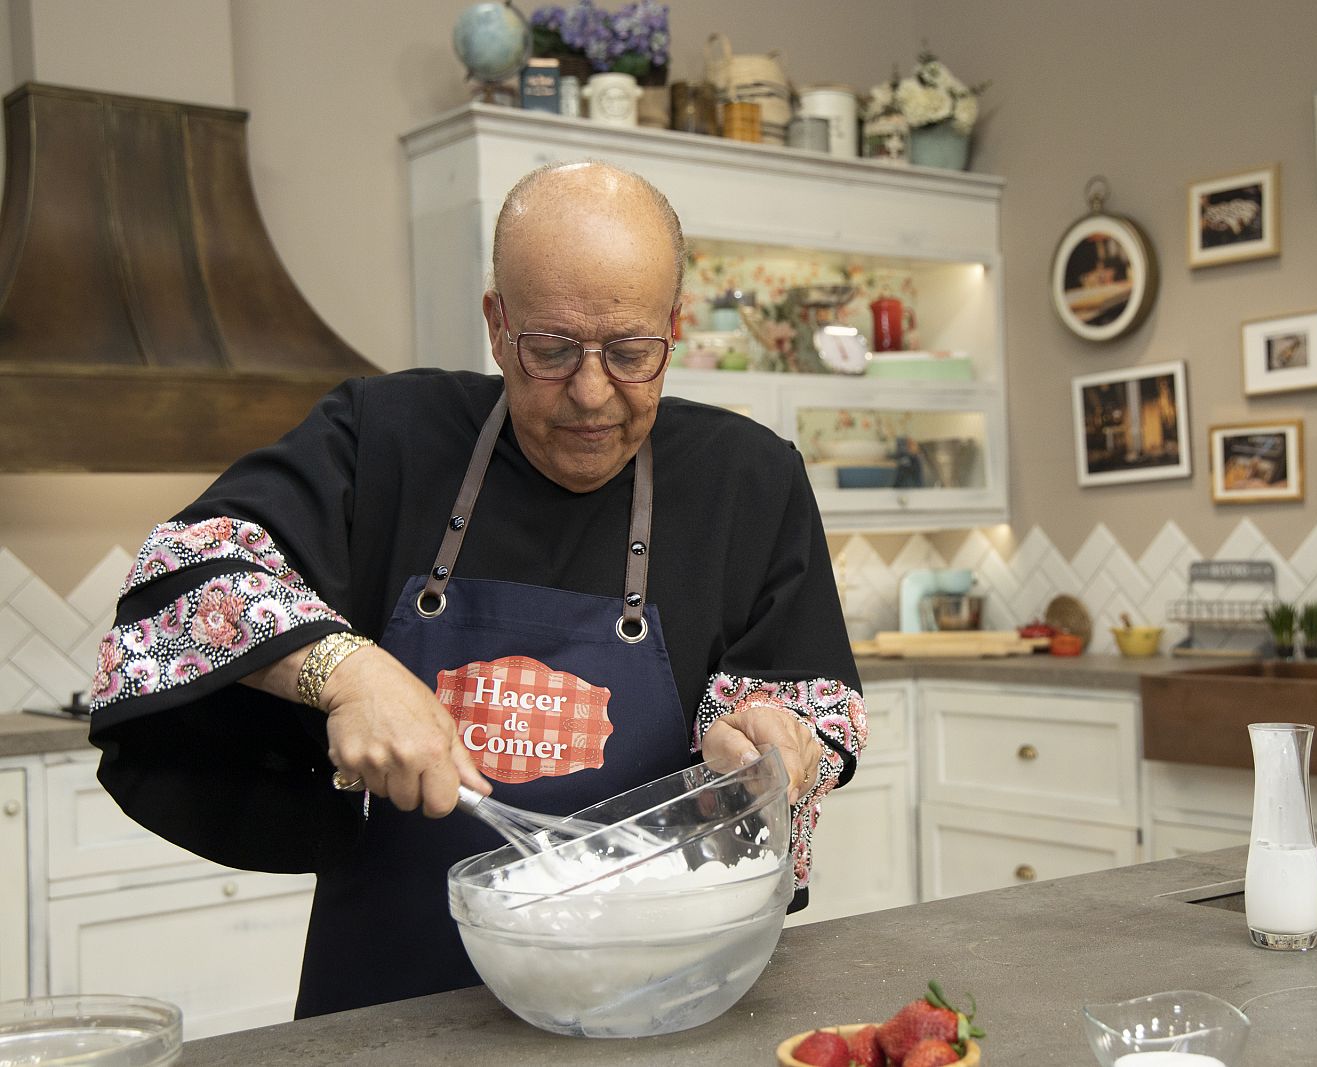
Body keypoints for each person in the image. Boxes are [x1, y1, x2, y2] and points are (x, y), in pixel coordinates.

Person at [86, 160, 867, 1018]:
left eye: (633, 352)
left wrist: (776, 748)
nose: (592, 390)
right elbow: (182, 574)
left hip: (659, 1000)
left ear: (674, 327)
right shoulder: (382, 437)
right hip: (389, 1007)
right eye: (552, 350)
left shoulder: (748, 482)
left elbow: (809, 709)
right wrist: (348, 673)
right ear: (498, 326)